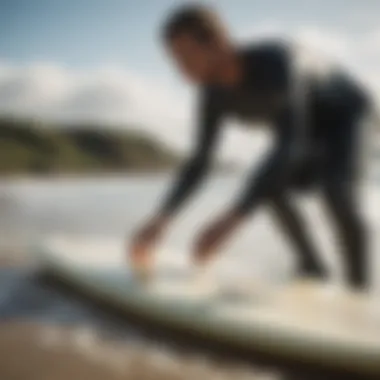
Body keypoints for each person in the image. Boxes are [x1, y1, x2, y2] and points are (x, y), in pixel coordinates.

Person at [130, 4, 372, 291]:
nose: (179, 68)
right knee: (268, 184)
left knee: (336, 190)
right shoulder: (212, 95)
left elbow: (291, 144)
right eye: (174, 59)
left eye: (185, 56)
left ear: (218, 43)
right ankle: (313, 267)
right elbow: (200, 160)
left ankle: (359, 288)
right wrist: (163, 217)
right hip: (304, 131)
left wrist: (233, 218)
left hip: (347, 114)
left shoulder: (277, 63)